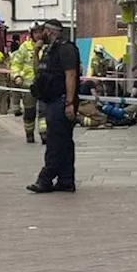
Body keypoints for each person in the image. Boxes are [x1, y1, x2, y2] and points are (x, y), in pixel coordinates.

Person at [27, 18, 81, 194]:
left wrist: (69, 103)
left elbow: (71, 76)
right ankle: (66, 180)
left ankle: (45, 179)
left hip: (61, 100)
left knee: (55, 142)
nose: (40, 34)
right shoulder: (50, 49)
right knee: (64, 142)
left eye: (43, 30)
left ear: (49, 31)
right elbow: (39, 73)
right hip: (52, 100)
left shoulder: (66, 49)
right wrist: (36, 52)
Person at [9, 25, 43, 144]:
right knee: (30, 112)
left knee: (44, 112)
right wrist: (17, 76)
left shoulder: (47, 47)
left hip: (44, 86)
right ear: (32, 34)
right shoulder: (24, 47)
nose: (38, 35)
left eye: (40, 32)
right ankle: (29, 134)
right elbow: (16, 64)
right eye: (36, 33)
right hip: (28, 86)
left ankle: (44, 135)